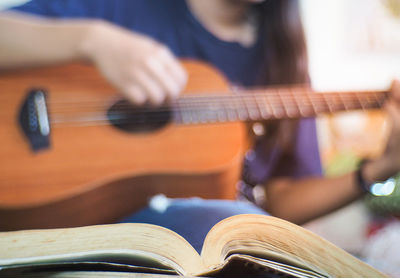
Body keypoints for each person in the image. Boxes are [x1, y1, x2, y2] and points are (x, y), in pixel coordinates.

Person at [1, 0, 400, 253]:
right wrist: (91, 40)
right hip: (53, 212)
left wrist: (381, 167)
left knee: (235, 227)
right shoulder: (123, 9)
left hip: (186, 239)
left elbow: (279, 200)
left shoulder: (285, 57)